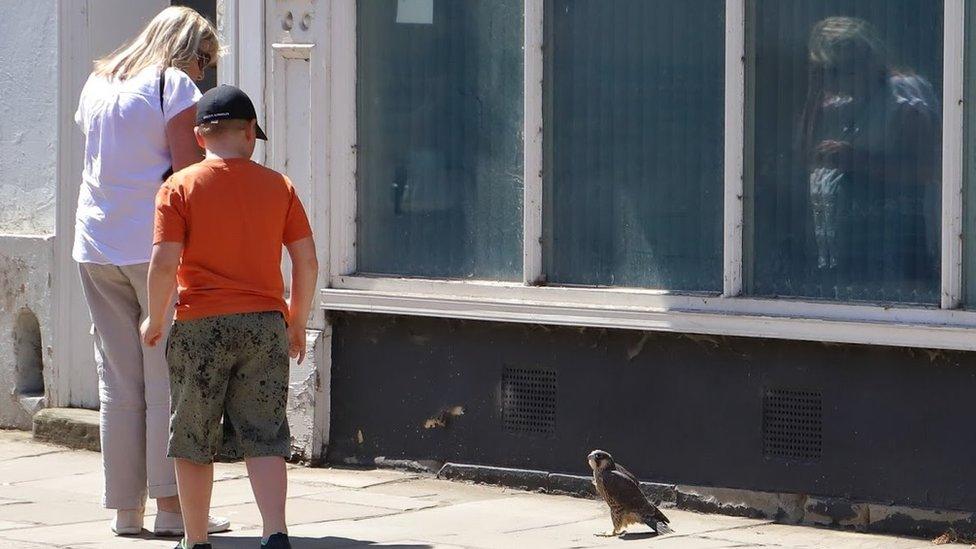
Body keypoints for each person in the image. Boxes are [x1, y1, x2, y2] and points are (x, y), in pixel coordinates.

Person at [72, 6, 230, 536]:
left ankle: (124, 510)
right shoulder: (174, 86)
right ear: (185, 48)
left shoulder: (99, 80)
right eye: (204, 58)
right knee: (167, 373)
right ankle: (170, 509)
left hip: (95, 243)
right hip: (153, 245)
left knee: (116, 379)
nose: (204, 73)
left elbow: (99, 157)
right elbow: (186, 176)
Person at [142, 84, 319, 549]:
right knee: (265, 431)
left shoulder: (178, 188)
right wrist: (297, 320)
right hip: (264, 324)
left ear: (200, 138)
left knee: (193, 434)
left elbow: (163, 262)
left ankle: (196, 540)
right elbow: (306, 260)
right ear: (249, 135)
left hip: (200, 323)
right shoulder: (279, 186)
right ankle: (275, 532)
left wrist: (155, 318)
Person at [798, 16, 940, 300]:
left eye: (836, 70)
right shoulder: (843, 101)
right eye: (823, 72)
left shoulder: (902, 95)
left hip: (895, 242)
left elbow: (927, 170)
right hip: (851, 242)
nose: (831, 80)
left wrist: (856, 160)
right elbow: (805, 153)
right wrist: (813, 93)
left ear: (864, 61)